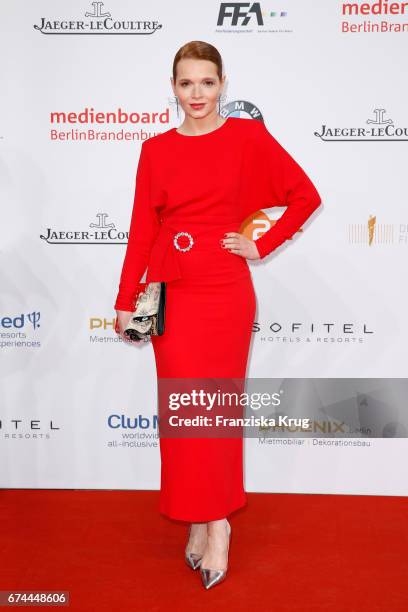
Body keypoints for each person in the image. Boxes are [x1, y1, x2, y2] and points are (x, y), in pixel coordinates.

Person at [114, 40, 322, 590]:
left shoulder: (246, 137)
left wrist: (263, 244)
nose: (197, 94)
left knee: (216, 412)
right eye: (186, 83)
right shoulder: (156, 149)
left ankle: (219, 523)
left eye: (207, 82)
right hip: (174, 292)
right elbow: (142, 229)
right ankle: (197, 516)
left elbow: (305, 196)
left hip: (226, 291)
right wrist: (123, 299)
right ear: (174, 87)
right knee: (184, 415)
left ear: (223, 84)